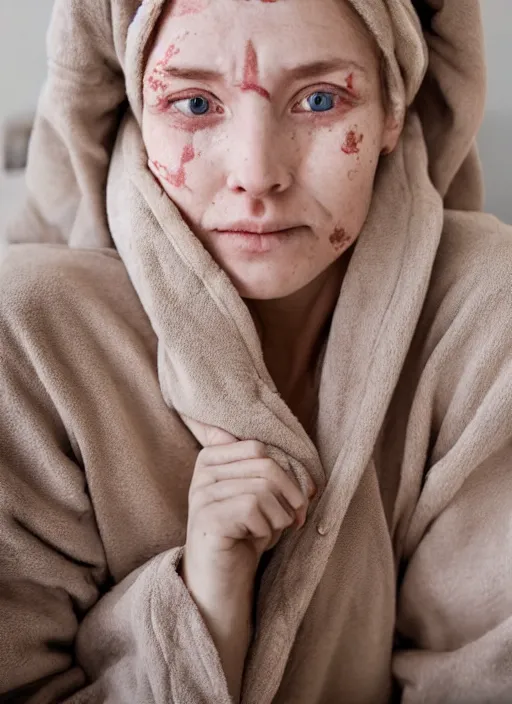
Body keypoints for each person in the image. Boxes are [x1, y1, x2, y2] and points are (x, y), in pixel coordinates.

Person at [1, 0, 511, 702]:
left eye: (321, 99)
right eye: (194, 103)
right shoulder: (25, 336)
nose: (256, 172)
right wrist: (205, 605)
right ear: (134, 110)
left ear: (394, 111)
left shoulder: (486, 311)